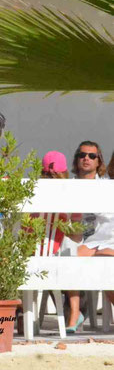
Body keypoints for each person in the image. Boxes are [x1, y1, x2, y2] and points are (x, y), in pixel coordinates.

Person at [66, 141, 109, 332]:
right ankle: (76, 311)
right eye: (82, 155)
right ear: (76, 159)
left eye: (92, 156)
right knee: (66, 257)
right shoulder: (68, 186)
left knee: (105, 267)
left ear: (99, 161)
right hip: (74, 239)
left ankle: (76, 311)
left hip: (101, 240)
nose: (86, 158)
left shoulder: (106, 186)